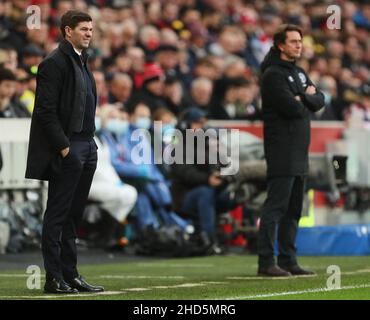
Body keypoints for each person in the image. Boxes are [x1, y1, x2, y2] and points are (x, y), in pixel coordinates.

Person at [25, 10, 104, 294]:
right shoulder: (54, 63)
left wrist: (89, 144)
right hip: (69, 146)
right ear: (67, 31)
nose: (88, 33)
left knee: (74, 214)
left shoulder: (82, 61)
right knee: (58, 214)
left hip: (86, 144)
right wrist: (64, 147)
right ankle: (53, 277)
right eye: (83, 29)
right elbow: (45, 111)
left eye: (91, 29)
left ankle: (70, 275)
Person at [257, 24, 325, 277]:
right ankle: (266, 262)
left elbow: (320, 100)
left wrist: (304, 97)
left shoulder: (298, 72)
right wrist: (305, 98)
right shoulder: (273, 75)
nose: (299, 45)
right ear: (280, 45)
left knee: (294, 208)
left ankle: (288, 260)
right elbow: (292, 108)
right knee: (276, 207)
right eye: (293, 41)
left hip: (299, 150)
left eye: (300, 40)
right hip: (281, 149)